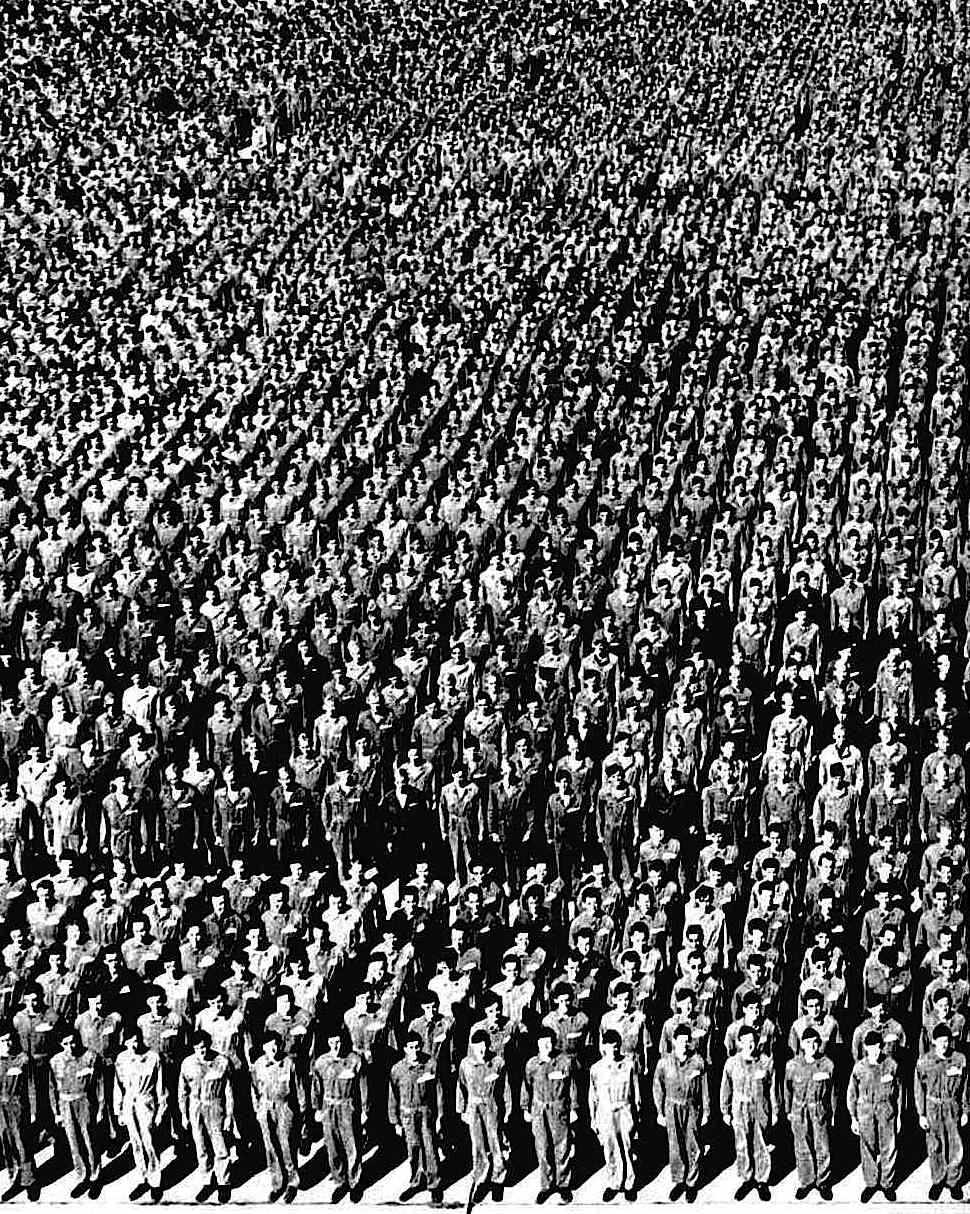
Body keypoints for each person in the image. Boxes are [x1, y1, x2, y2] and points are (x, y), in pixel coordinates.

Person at [522, 1026, 579, 1204]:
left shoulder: (564, 1062)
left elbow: (572, 1087)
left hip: (559, 1108)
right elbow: (526, 1087)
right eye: (542, 1042)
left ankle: (563, 1184)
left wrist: (574, 1109)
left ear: (553, 1042)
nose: (546, 1045)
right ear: (538, 1044)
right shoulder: (532, 1064)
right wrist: (525, 1108)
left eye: (549, 1041)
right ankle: (547, 1185)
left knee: (562, 1147)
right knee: (542, 1148)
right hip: (539, 1110)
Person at [652, 1022, 709, 1202]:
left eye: (687, 1041)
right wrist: (659, 1112)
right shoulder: (664, 1063)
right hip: (671, 1107)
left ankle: (691, 1183)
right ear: (674, 1041)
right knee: (675, 1146)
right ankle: (679, 1181)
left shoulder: (698, 1062)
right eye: (681, 1040)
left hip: (691, 1107)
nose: (684, 1044)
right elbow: (657, 1088)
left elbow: (705, 1088)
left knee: (693, 1145)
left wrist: (706, 1111)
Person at [719, 1025, 777, 1200]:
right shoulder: (731, 1063)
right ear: (739, 1043)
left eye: (753, 1041)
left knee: (761, 1144)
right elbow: (725, 1087)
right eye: (746, 1042)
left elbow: (773, 1089)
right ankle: (747, 1179)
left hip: (760, 1107)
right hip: (740, 1108)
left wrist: (775, 1110)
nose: (750, 1045)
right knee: (742, 1144)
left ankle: (762, 1180)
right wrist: (725, 1110)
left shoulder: (766, 1062)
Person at [312, 1028, 367, 1204]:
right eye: (332, 1043)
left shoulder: (354, 1060)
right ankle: (340, 1180)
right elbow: (316, 1087)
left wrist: (365, 1109)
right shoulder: (321, 1062)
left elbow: (363, 1087)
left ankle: (355, 1182)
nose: (336, 1046)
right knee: (332, 1146)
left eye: (339, 1042)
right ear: (327, 1043)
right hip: (329, 1106)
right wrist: (317, 1109)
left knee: (352, 1145)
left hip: (347, 1106)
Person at [178, 1031, 235, 1203]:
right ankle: (206, 1180)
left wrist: (229, 1115)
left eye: (203, 1047)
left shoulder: (222, 1062)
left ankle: (223, 1182)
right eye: (197, 1048)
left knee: (220, 1146)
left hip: (215, 1105)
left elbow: (229, 1091)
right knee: (201, 1146)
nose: (201, 1051)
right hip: (195, 1106)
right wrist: (183, 1114)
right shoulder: (187, 1063)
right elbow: (182, 1091)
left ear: (209, 1044)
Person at [389, 1030, 444, 1205]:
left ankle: (434, 1184)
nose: (415, 1050)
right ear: (405, 1049)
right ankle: (416, 1181)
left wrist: (439, 1117)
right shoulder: (397, 1070)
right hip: (407, 1113)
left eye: (417, 1047)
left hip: (426, 1111)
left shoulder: (430, 1064)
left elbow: (439, 1093)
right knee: (413, 1148)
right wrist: (395, 1122)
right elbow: (393, 1097)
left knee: (430, 1147)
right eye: (411, 1047)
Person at [915, 1024, 968, 1201]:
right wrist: (921, 1114)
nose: (944, 1045)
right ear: (934, 1042)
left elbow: (966, 1088)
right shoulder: (924, 1061)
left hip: (952, 1107)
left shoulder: (959, 1059)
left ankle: (953, 1182)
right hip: (932, 1107)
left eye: (947, 1041)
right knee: (934, 1145)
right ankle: (938, 1180)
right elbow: (919, 1089)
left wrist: (966, 1110)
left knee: (955, 1145)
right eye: (940, 1041)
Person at [457, 1030, 511, 1203]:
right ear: (472, 1047)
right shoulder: (465, 1064)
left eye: (484, 1047)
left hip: (491, 1106)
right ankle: (481, 1179)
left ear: (489, 1045)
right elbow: (461, 1087)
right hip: (473, 1107)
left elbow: (506, 1088)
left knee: (496, 1142)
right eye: (477, 1048)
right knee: (478, 1145)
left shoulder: (497, 1062)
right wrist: (462, 1110)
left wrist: (507, 1110)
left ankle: (498, 1180)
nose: (482, 1051)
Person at [49, 1028, 103, 1198]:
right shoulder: (55, 1061)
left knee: (90, 1139)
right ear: (60, 1045)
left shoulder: (90, 1057)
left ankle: (96, 1176)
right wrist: (57, 1112)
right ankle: (82, 1176)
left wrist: (100, 1107)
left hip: (84, 1101)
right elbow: (52, 1089)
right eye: (65, 1043)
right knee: (74, 1142)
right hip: (66, 1103)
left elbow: (100, 1084)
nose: (70, 1046)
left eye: (72, 1041)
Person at [847, 1030, 900, 1202]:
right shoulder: (859, 1068)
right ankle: (871, 1183)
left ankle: (887, 1184)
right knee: (867, 1148)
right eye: (871, 1047)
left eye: (878, 1046)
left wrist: (899, 1116)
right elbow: (852, 1094)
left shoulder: (891, 1065)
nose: (875, 1050)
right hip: (866, 1112)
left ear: (882, 1046)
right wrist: (853, 1118)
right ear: (865, 1048)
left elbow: (899, 1093)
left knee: (888, 1147)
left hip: (887, 1111)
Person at [115, 1024, 165, 1202]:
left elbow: (160, 1087)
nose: (133, 1046)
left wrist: (160, 1111)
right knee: (135, 1143)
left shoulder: (153, 1058)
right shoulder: (121, 1059)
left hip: (146, 1102)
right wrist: (119, 1110)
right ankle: (142, 1177)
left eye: (136, 1041)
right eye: (129, 1042)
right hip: (130, 1103)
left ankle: (155, 1181)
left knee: (149, 1142)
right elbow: (119, 1087)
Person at [783, 1027, 834, 1200]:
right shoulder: (793, 1065)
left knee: (822, 1146)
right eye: (807, 1042)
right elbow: (787, 1089)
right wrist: (789, 1110)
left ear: (819, 1044)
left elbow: (834, 1091)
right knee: (802, 1147)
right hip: (799, 1110)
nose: (811, 1045)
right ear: (802, 1045)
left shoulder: (827, 1064)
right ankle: (806, 1181)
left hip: (819, 1109)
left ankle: (823, 1182)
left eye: (814, 1042)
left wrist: (831, 1112)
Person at [588, 1029, 639, 1202]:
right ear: (603, 1047)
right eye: (609, 1047)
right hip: (605, 1112)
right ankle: (614, 1183)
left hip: (624, 1110)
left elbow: (636, 1093)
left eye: (616, 1047)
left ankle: (629, 1183)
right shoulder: (596, 1069)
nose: (613, 1051)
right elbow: (592, 1096)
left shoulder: (629, 1065)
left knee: (627, 1146)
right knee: (609, 1149)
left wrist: (636, 1116)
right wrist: (593, 1119)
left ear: (620, 1047)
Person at [250, 1032, 301, 1203]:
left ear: (279, 1045)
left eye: (275, 1045)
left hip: (284, 1106)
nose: (272, 1049)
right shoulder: (258, 1065)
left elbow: (298, 1089)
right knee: (270, 1146)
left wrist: (301, 1110)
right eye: (268, 1046)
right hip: (266, 1107)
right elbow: (254, 1089)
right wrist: (258, 1109)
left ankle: (293, 1181)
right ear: (263, 1047)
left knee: (287, 1144)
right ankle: (277, 1183)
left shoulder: (289, 1063)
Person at [0, 1026, 38, 1201]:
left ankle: (30, 1180)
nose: (7, 1044)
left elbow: (31, 1085)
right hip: (1, 1107)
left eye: (9, 1040)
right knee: (7, 1143)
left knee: (22, 1142)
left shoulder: (23, 1059)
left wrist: (33, 1110)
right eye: (2, 1041)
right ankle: (15, 1178)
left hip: (18, 1106)